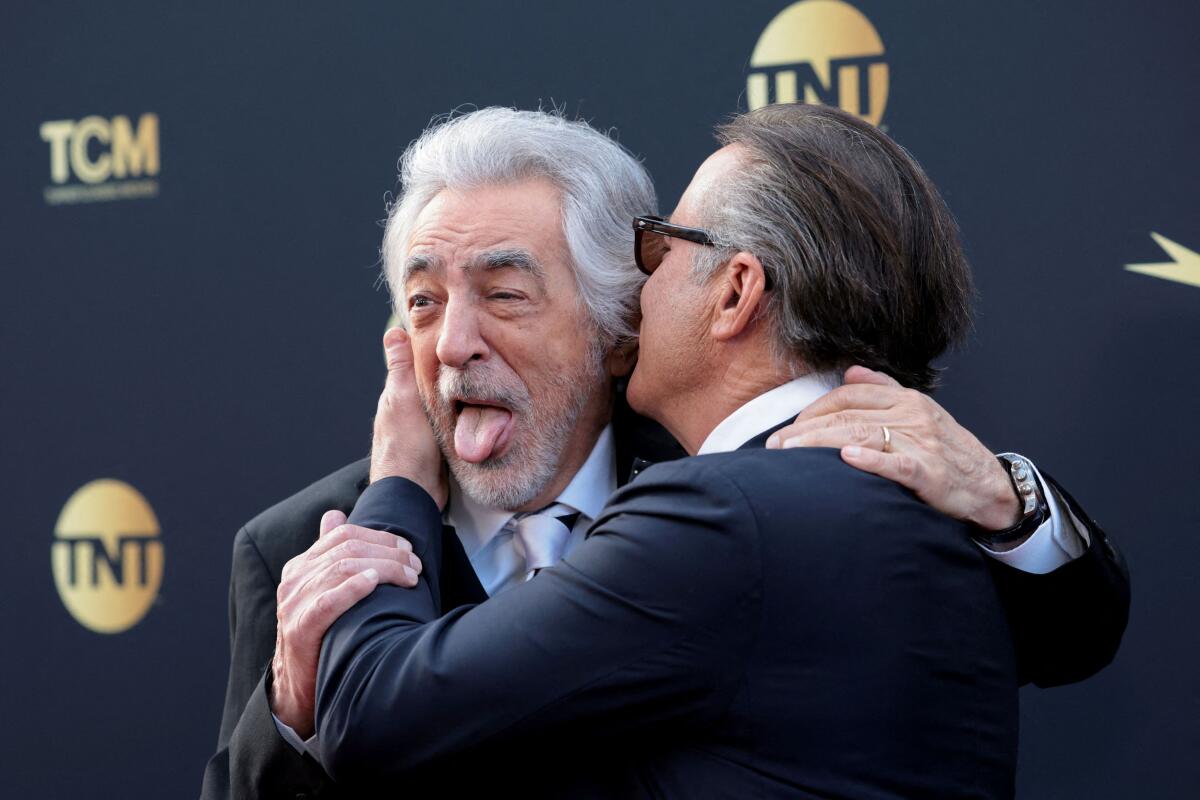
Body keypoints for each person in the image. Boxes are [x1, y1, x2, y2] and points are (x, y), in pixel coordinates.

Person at [200, 108, 1128, 799]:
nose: (454, 345)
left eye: (507, 295)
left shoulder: (732, 493)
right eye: (425, 303)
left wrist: (1007, 503)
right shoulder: (304, 548)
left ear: (617, 325)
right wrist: (294, 708)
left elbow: (1075, 629)